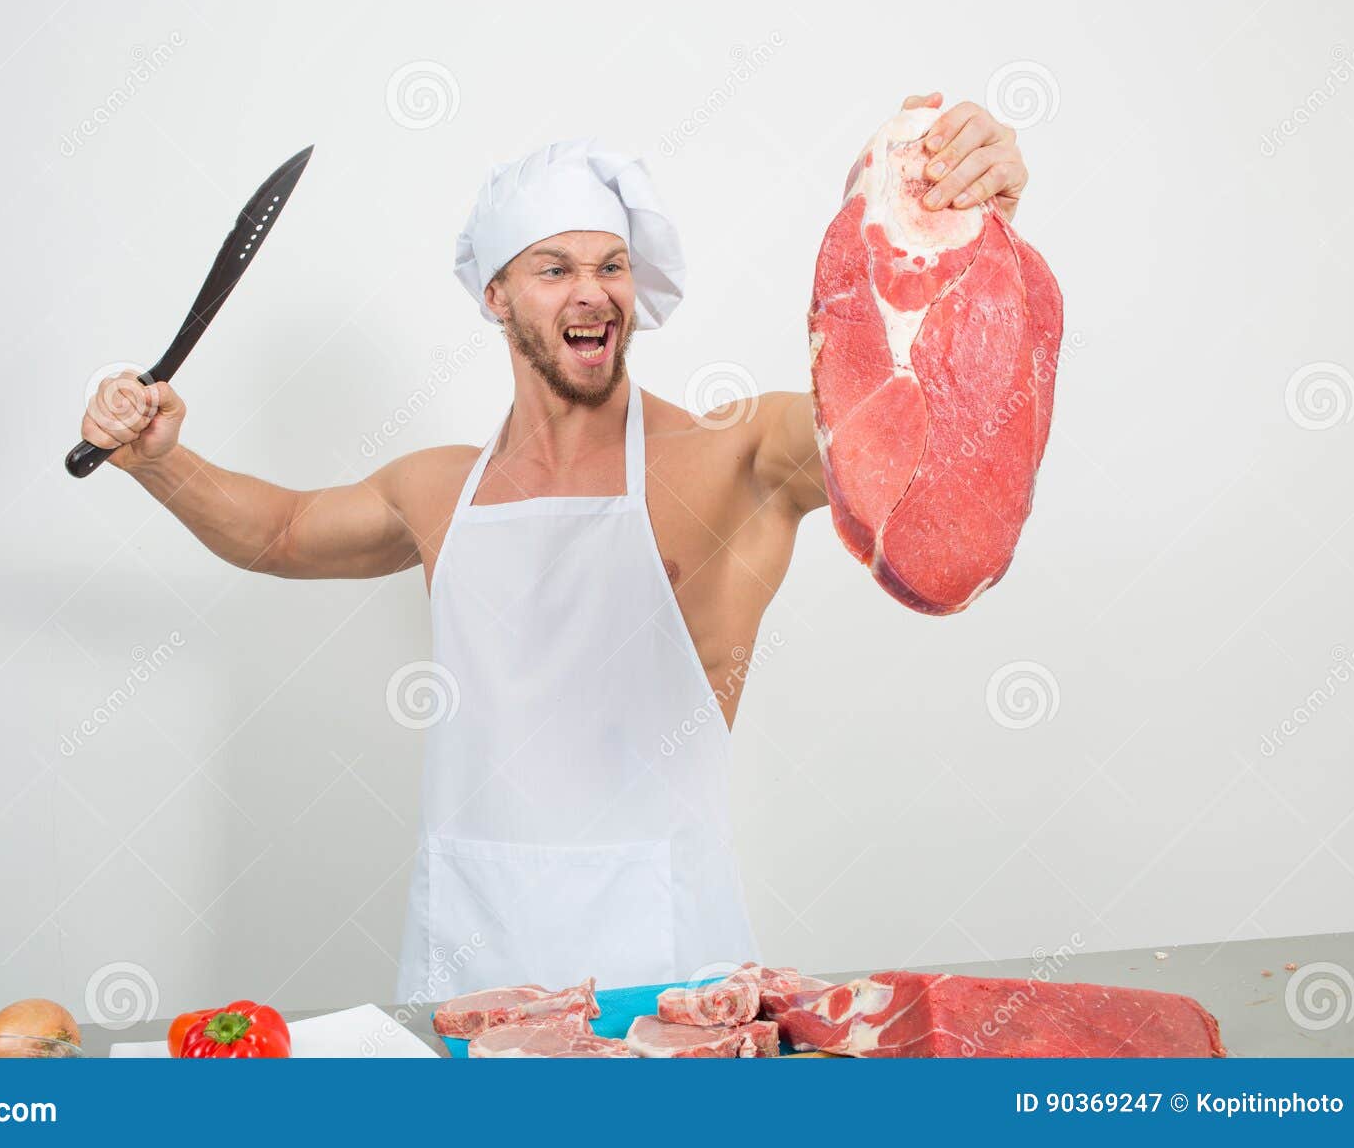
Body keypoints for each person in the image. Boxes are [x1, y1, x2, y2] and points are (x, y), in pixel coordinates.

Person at [77, 92, 1030, 1002]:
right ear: (496, 295)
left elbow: (906, 441)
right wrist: (157, 459)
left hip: (670, 984)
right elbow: (280, 533)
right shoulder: (439, 488)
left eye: (611, 265)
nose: (593, 292)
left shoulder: (734, 454)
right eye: (555, 268)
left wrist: (961, 243)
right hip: (469, 968)